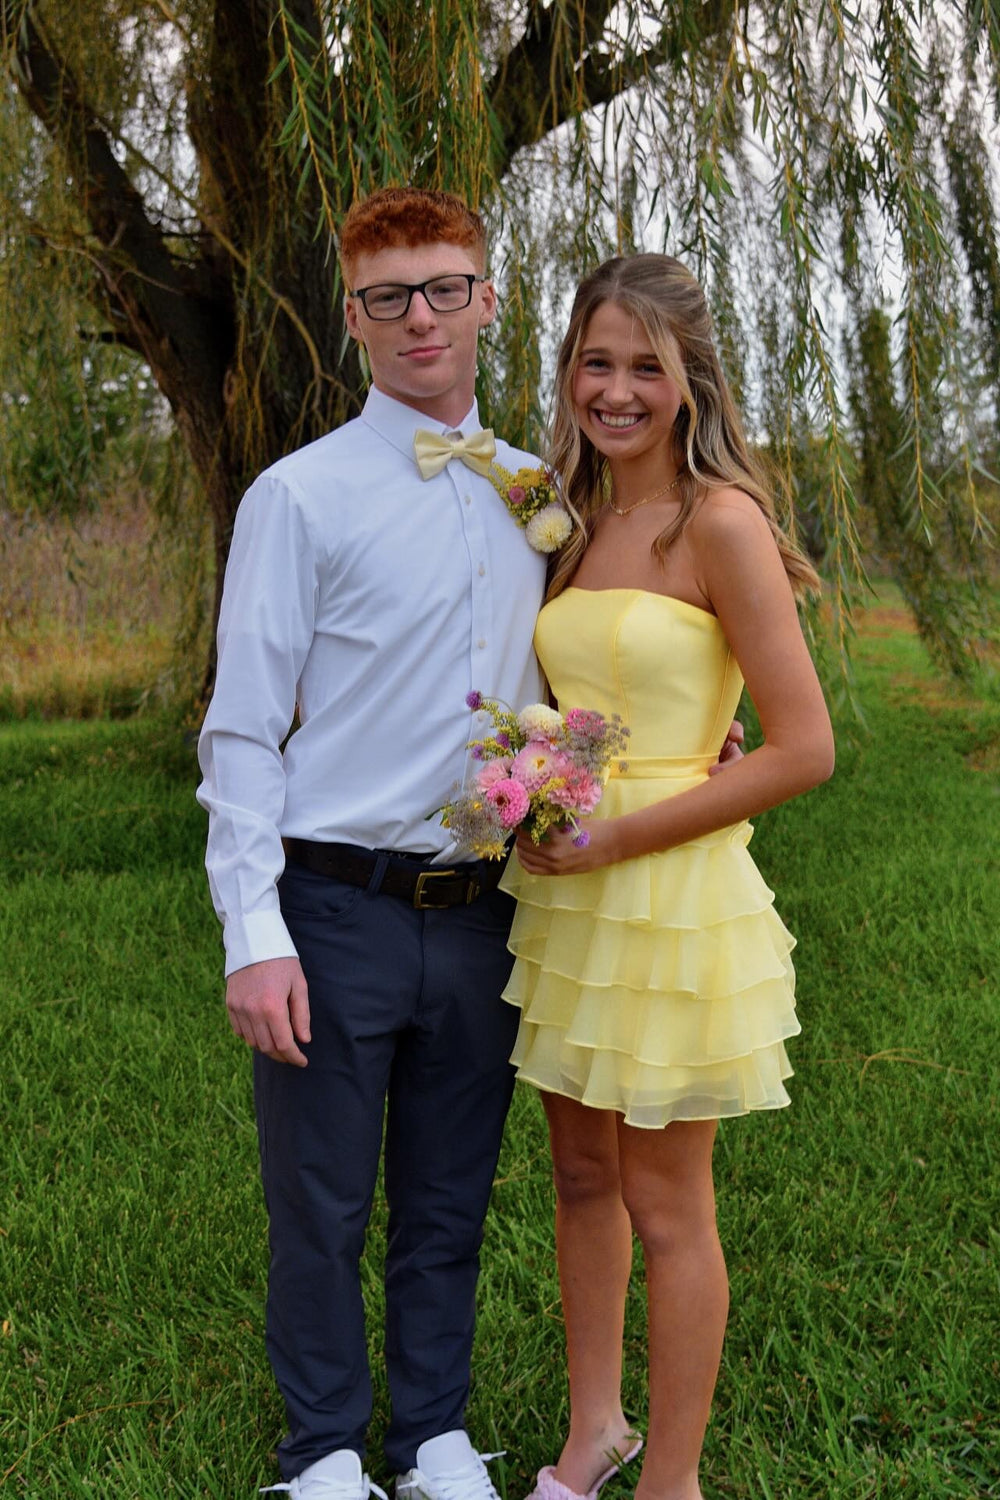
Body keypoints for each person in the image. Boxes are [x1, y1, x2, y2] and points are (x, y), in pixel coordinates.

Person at [196, 187, 550, 1500]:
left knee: (450, 1197)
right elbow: (241, 730)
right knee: (323, 1206)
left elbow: (583, 665)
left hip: (483, 909)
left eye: (446, 286)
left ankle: (433, 1436)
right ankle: (327, 1451)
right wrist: (254, 936)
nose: (422, 316)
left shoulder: (537, 491)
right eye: (392, 295)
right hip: (332, 903)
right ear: (353, 316)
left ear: (487, 301)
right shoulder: (300, 499)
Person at [499, 255, 835, 1500]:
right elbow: (585, 700)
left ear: (691, 380)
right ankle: (595, 1432)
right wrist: (537, 785)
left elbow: (805, 749)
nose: (618, 390)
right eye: (597, 361)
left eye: (646, 366)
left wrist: (627, 831)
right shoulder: (568, 521)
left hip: (670, 884)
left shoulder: (720, 524)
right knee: (579, 1174)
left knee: (663, 1196)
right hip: (568, 886)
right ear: (569, 371)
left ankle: (671, 1483)